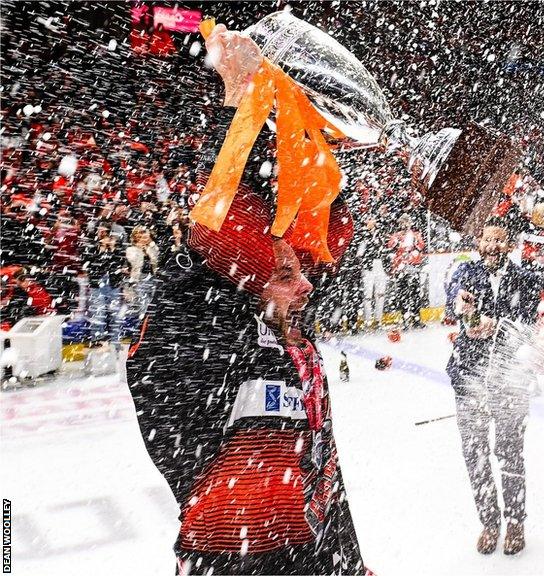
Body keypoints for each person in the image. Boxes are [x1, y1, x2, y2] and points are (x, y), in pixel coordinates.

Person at [124, 24, 365, 575]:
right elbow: (213, 246)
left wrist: (347, 564)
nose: (304, 285)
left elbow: (326, 477)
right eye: (285, 273)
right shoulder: (203, 323)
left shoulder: (293, 346)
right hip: (235, 558)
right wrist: (255, 111)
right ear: (243, 275)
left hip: (311, 554)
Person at [444, 216, 541, 556]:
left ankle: (515, 520)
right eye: (487, 239)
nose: (492, 246)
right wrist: (463, 311)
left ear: (510, 245)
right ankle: (489, 521)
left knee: (510, 452)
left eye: (499, 240)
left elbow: (529, 327)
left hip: (511, 380)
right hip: (468, 377)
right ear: (479, 242)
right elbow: (453, 302)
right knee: (475, 453)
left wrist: (497, 326)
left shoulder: (526, 279)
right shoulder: (463, 273)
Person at [387, 213, 426, 328]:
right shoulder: (396, 236)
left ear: (410, 223)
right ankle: (404, 318)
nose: (404, 225)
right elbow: (390, 246)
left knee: (415, 293)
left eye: (406, 222)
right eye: (402, 223)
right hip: (401, 268)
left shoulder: (415, 235)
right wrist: (399, 241)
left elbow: (420, 246)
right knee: (402, 294)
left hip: (413, 266)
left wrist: (410, 244)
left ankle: (416, 318)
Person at [357, 216, 388, 330]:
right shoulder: (363, 236)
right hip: (369, 267)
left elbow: (384, 249)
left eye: (372, 220)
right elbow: (359, 253)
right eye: (369, 220)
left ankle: (378, 320)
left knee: (380, 294)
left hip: (379, 265)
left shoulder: (380, 234)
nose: (371, 222)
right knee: (368, 296)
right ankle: (368, 320)